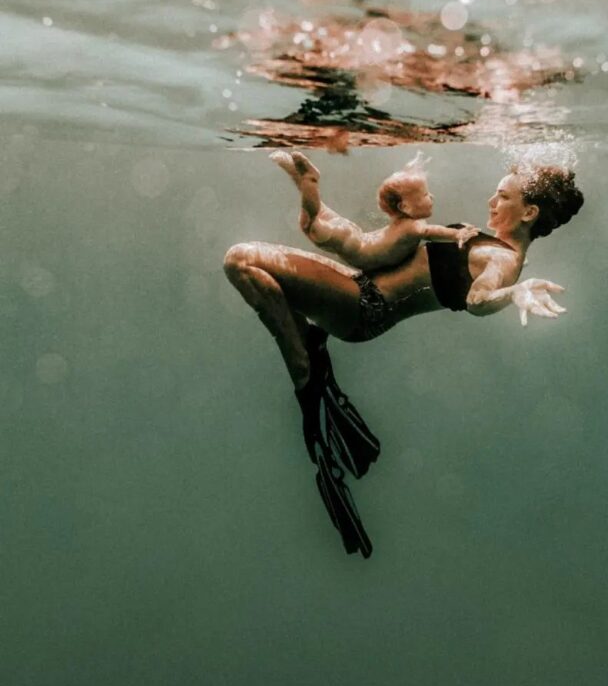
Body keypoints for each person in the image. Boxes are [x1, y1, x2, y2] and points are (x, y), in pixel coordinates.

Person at [223, 163, 584, 558]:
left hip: (362, 306)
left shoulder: (504, 262)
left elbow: (477, 302)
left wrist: (515, 293)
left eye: (504, 196)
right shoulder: (496, 248)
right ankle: (313, 358)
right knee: (251, 262)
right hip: (356, 286)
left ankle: (307, 375)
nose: (491, 200)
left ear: (529, 213)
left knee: (240, 260)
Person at [270, 149, 480, 271]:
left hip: (357, 238)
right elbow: (432, 233)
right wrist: (457, 234)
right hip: (357, 248)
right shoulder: (413, 226)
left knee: (314, 219)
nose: (431, 197)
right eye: (426, 195)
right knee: (311, 224)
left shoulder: (404, 222)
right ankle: (309, 180)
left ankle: (300, 178)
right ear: (404, 206)